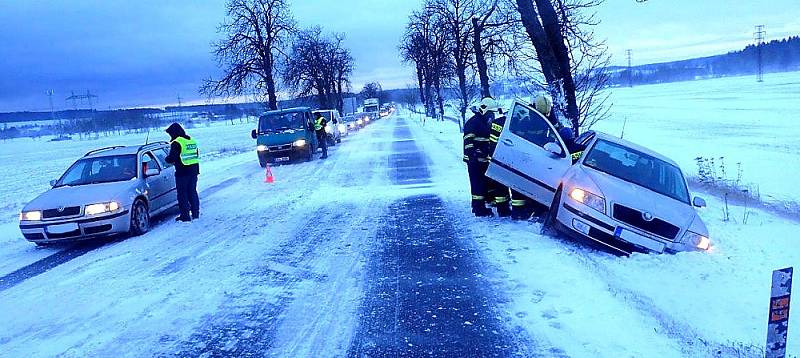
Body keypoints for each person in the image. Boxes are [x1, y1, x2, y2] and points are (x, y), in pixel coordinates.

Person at [463, 97, 496, 217]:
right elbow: (468, 141)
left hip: (483, 159)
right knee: (477, 183)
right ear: (484, 110)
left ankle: (485, 203)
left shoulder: (483, 122)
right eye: (490, 113)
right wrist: (474, 156)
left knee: (484, 182)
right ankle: (478, 208)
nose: (492, 116)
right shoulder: (474, 122)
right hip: (474, 160)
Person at [165, 122, 200, 222]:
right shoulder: (191, 140)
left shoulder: (177, 142)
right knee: (192, 191)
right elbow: (196, 154)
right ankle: (195, 213)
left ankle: (185, 216)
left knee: (182, 194)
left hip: (183, 172)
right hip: (194, 170)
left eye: (170, 133)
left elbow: (172, 158)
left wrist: (166, 159)